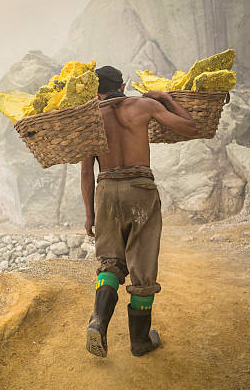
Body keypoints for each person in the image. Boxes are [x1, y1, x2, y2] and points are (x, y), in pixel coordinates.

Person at [83, 66, 198, 358]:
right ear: (122, 86)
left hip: (106, 189)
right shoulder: (143, 105)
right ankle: (140, 341)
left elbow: (86, 173)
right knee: (142, 268)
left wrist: (90, 214)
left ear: (95, 91)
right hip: (140, 189)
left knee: (109, 261)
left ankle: (98, 321)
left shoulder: (88, 119)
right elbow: (190, 127)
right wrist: (166, 99)